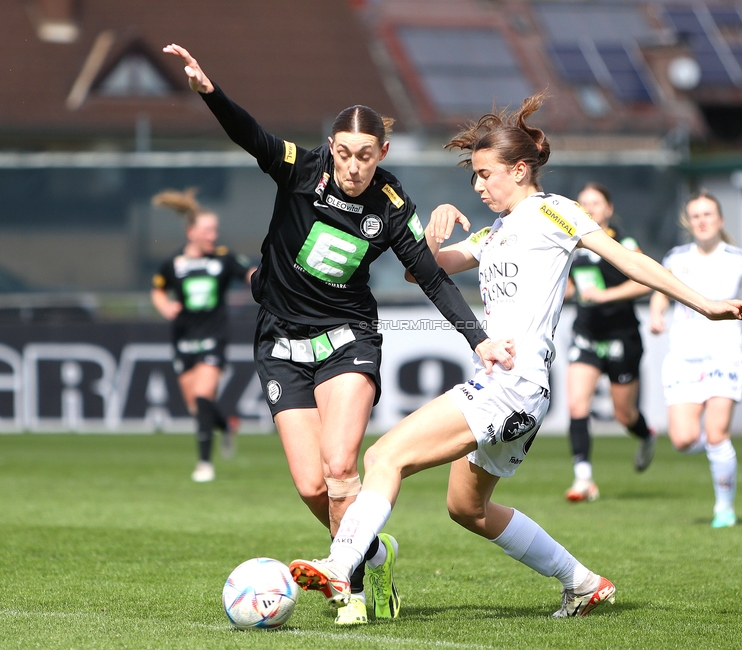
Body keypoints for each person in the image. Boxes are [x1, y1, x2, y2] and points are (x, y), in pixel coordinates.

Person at [288, 94, 742, 618]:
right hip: (518, 392)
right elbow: (421, 268)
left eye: (485, 174)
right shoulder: (495, 232)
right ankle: (582, 582)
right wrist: (436, 222)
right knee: (466, 508)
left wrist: (708, 305)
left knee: (383, 457)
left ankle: (340, 564)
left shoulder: (554, 211)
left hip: (511, 385)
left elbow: (629, 260)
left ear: (519, 170)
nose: (478, 185)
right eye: (473, 176)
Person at [162, 43, 512, 626]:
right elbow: (251, 135)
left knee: (340, 464)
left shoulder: (392, 204)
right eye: (345, 154)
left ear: (383, 154)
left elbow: (429, 275)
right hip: (280, 342)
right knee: (310, 483)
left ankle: (344, 587)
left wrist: (478, 339)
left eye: (366, 157)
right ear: (332, 149)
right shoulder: (301, 169)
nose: (353, 168)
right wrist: (209, 91)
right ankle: (375, 552)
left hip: (347, 337)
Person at [649, 190, 742, 528]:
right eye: (696, 216)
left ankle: (724, 507)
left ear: (720, 220)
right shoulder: (676, 258)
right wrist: (656, 314)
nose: (702, 221)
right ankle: (716, 451)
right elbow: (660, 293)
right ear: (689, 223)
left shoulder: (738, 258)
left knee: (716, 431)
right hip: (683, 357)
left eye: (708, 214)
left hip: (724, 355)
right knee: (682, 439)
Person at [150, 188, 254, 483]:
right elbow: (157, 288)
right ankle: (228, 424)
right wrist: (165, 305)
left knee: (202, 395)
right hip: (182, 338)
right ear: (191, 231)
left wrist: (263, 280)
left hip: (214, 336)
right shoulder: (174, 263)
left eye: (215, 230)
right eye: (208, 230)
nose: (213, 235)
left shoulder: (223, 258)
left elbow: (249, 273)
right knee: (198, 408)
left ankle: (205, 464)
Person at [563, 182, 655, 503]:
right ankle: (583, 479)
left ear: (609, 209)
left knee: (624, 415)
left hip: (622, 336)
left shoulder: (624, 242)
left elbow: (645, 282)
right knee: (577, 405)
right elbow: (571, 288)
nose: (589, 207)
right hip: (586, 333)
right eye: (583, 202)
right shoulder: (571, 245)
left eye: (596, 202)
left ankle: (645, 437)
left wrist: (608, 296)